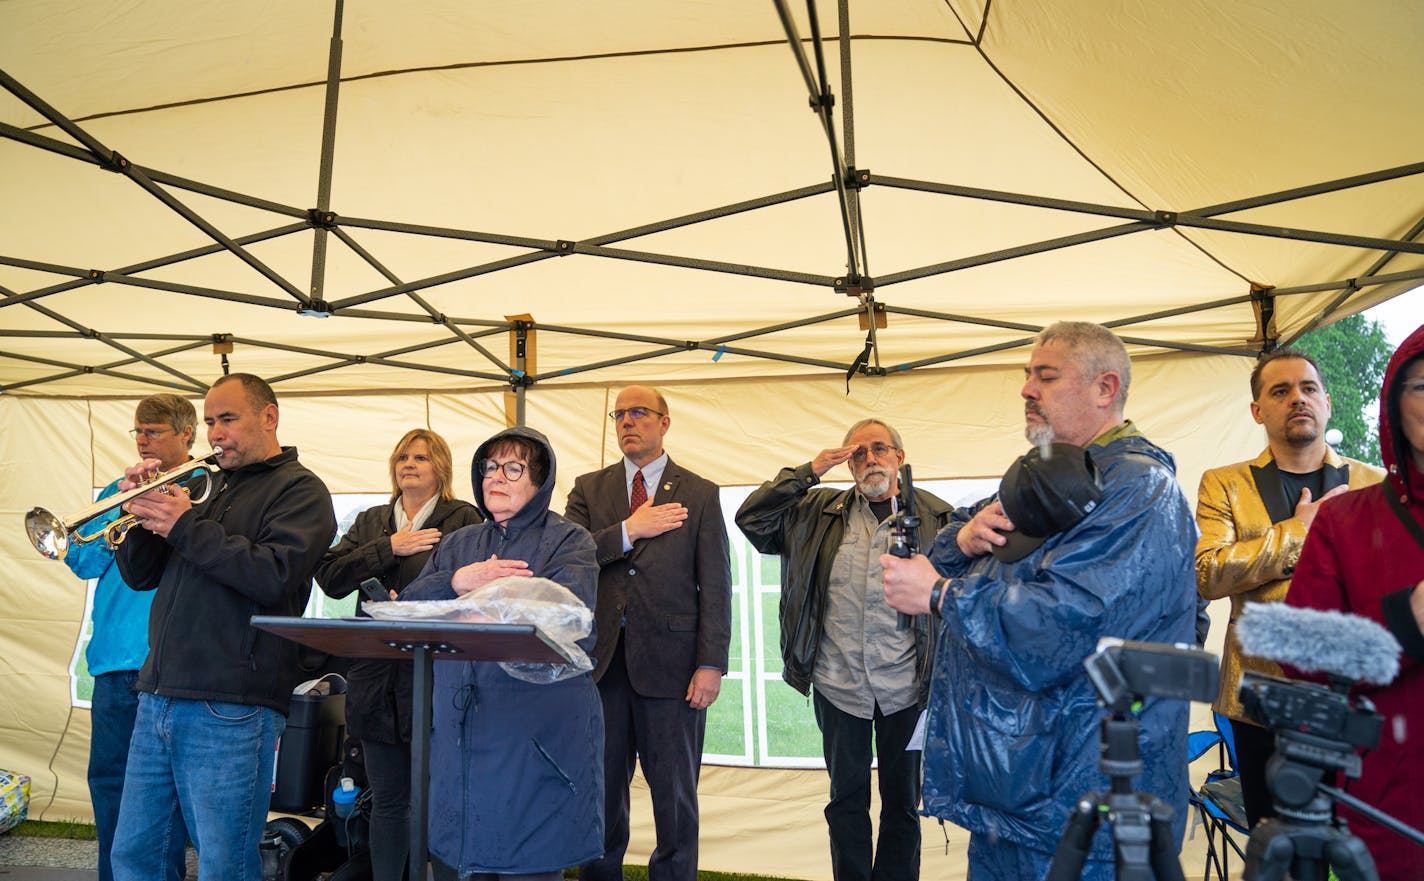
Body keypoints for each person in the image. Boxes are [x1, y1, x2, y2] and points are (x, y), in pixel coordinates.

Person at [882, 321, 1197, 881]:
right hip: (1017, 793)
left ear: (1105, 389)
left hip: (1086, 806)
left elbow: (1069, 623)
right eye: (1027, 376)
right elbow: (948, 542)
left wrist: (940, 593)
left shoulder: (1138, 490)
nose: (1026, 389)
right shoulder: (1049, 477)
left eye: (1046, 377)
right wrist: (961, 540)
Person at [110, 373, 336, 881]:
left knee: (224, 864)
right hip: (159, 693)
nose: (215, 433)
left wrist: (184, 525)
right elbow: (142, 575)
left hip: (232, 704)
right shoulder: (201, 484)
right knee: (135, 856)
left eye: (228, 419)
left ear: (269, 417)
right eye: (210, 421)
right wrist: (139, 510)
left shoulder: (302, 491)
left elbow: (274, 576)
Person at [736, 419, 951, 881]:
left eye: (879, 449)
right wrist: (808, 472)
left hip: (907, 688)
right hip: (840, 685)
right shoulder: (815, 510)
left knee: (902, 807)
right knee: (846, 802)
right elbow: (751, 520)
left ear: (900, 456)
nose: (869, 459)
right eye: (858, 453)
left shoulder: (937, 517)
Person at [402, 427, 602, 881]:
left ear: (540, 479)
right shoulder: (458, 545)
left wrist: (477, 605)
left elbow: (571, 622)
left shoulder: (570, 541)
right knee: (459, 858)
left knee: (526, 861)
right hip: (459, 734)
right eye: (491, 467)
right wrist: (457, 583)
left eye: (514, 468)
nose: (498, 477)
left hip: (531, 736)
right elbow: (411, 605)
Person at [1194, 349, 1382, 827]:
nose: (1297, 398)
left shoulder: (1375, 484)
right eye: (1280, 391)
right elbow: (1207, 573)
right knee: (1274, 845)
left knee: (1360, 843)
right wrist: (1297, 531)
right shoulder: (1223, 484)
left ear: (1327, 403)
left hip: (1356, 698)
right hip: (1260, 700)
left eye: (1308, 388)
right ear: (1258, 411)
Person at [566, 386, 731, 881]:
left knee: (675, 799)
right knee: (601, 792)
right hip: (601, 667)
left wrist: (711, 663)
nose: (627, 422)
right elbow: (568, 558)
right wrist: (628, 530)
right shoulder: (588, 488)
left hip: (675, 668)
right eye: (620, 414)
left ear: (665, 422)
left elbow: (717, 584)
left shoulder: (700, 492)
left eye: (639, 413)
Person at [1285, 323, 1424, 880]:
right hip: (1396, 804)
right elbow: (1301, 656)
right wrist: (1406, 620)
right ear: (1394, 403)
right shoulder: (1346, 521)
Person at [314, 428, 481, 881]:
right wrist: (389, 547)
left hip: (436, 679)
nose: (409, 463)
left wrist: (413, 602)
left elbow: (478, 589)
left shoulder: (463, 518)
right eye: (403, 456)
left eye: (422, 458)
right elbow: (329, 575)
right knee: (388, 800)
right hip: (374, 681)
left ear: (441, 469)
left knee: (442, 800)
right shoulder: (372, 521)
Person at [65, 394, 196, 881]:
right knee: (110, 785)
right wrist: (117, 502)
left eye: (155, 430)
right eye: (139, 431)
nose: (143, 439)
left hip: (171, 661)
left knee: (169, 793)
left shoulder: (202, 487)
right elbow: (81, 562)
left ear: (186, 433)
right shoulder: (113, 492)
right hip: (116, 661)